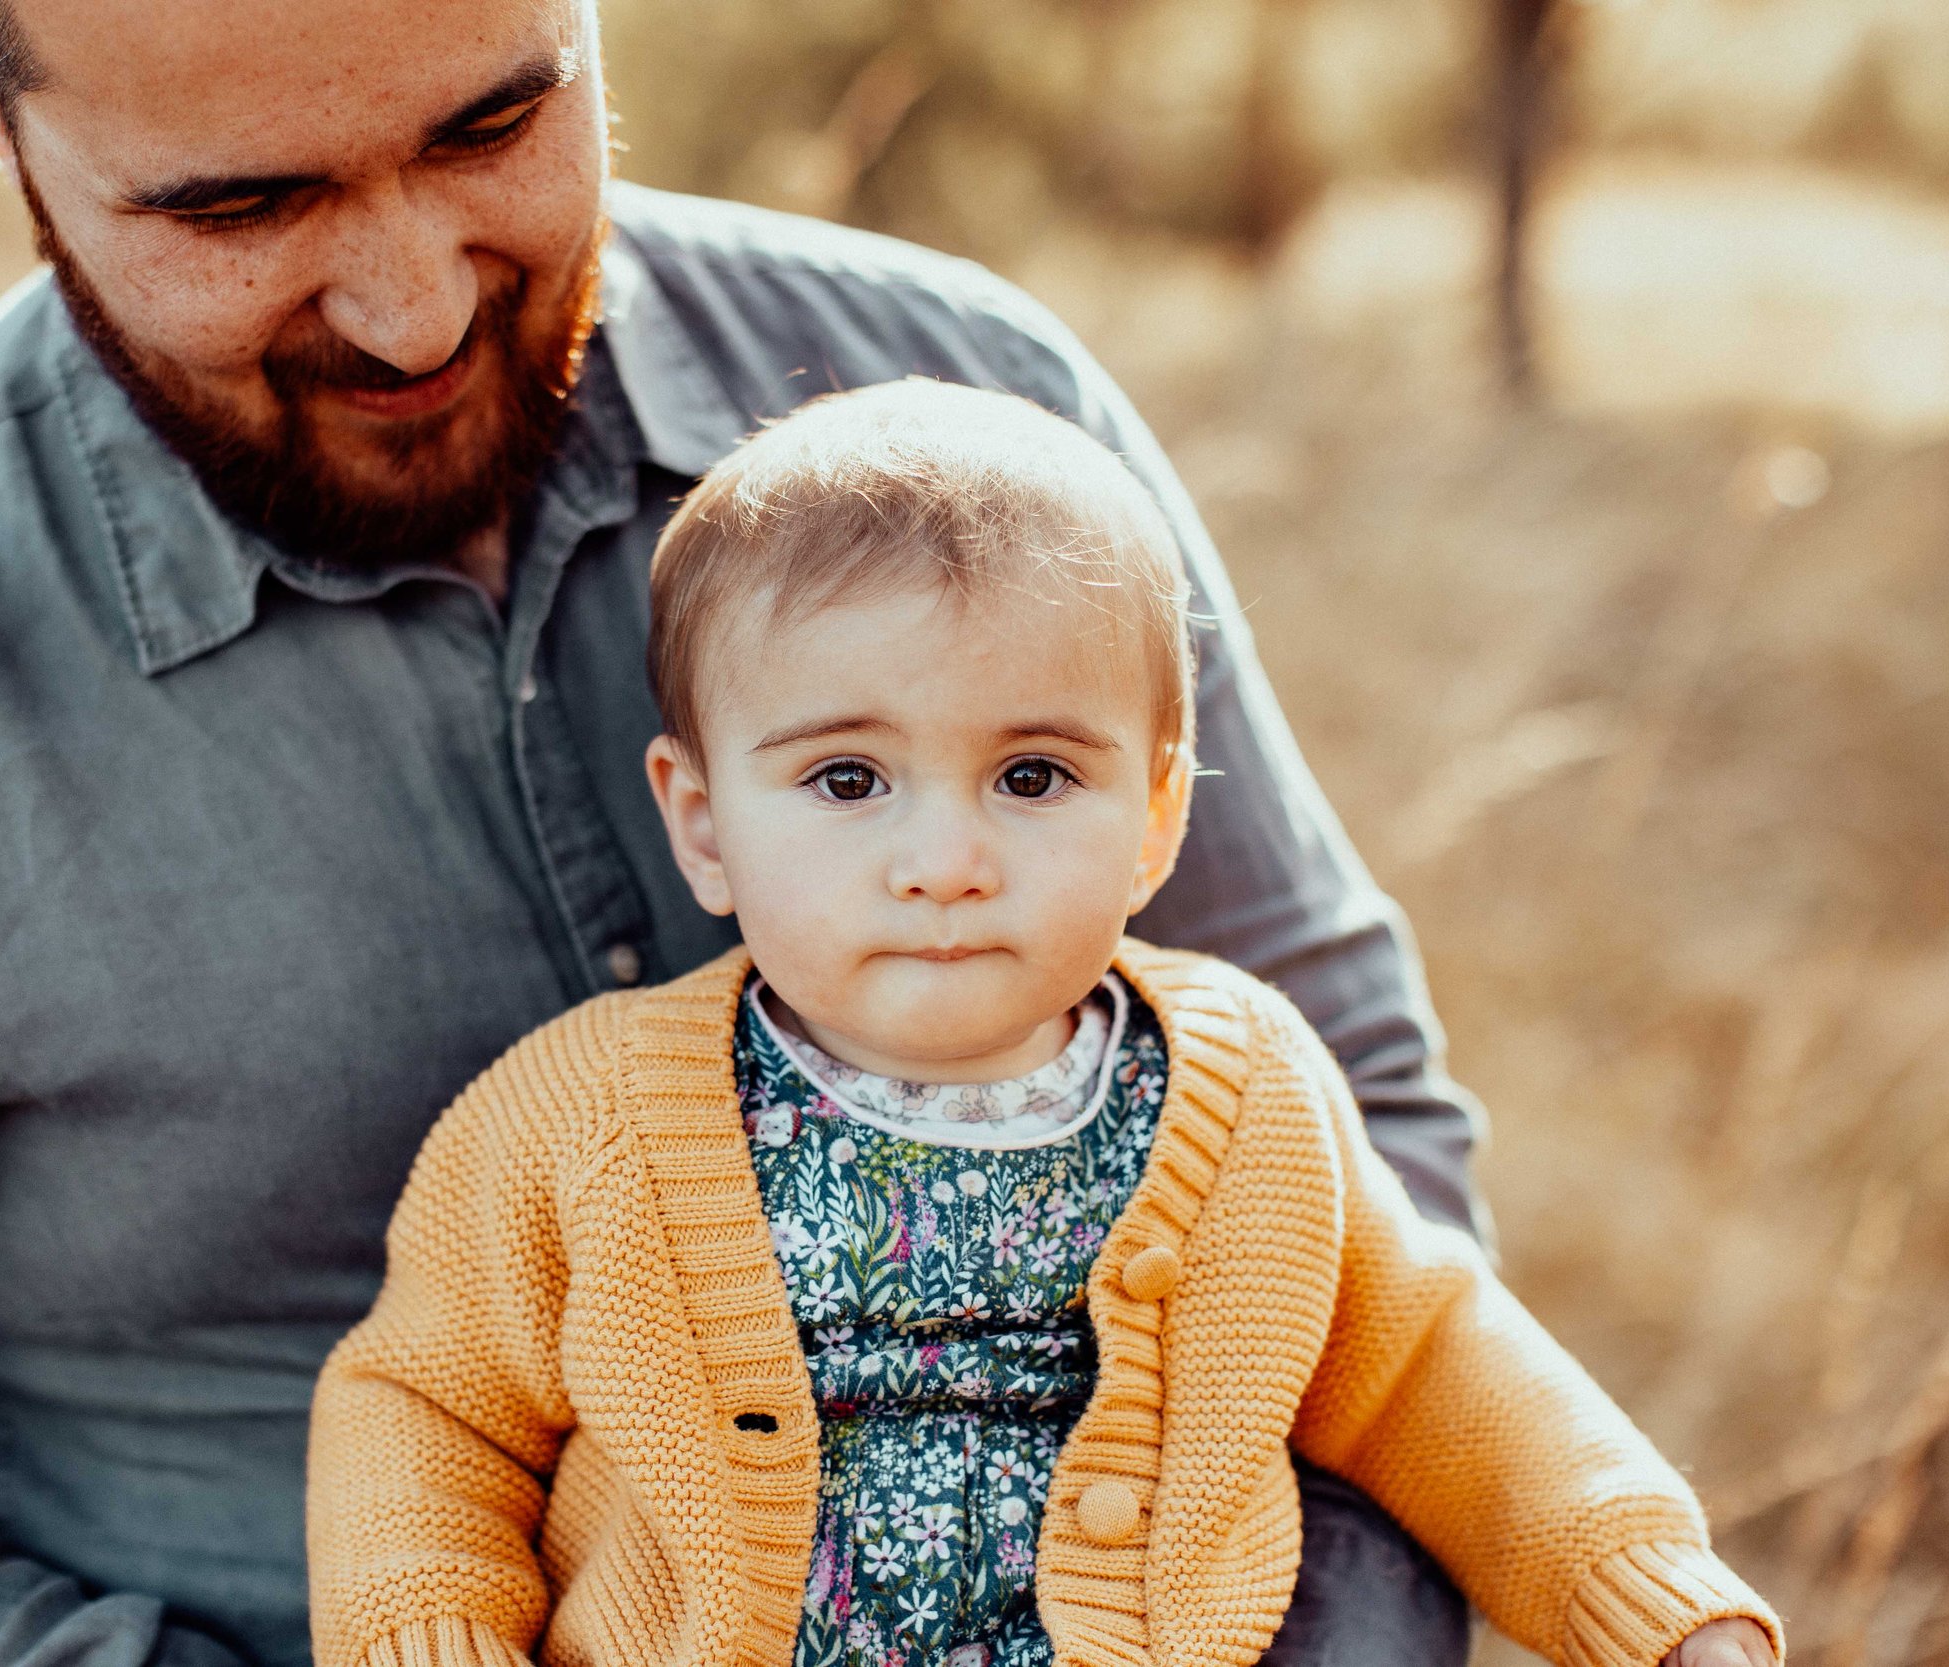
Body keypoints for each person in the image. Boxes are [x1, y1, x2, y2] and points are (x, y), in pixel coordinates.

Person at [0, 0, 1476, 1663]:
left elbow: (1347, 1118)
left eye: (494, 125)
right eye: (242, 209)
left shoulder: (980, 400)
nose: (414, 305)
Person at [306, 382, 1780, 1667]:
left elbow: (1429, 1369)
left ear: (1153, 817)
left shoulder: (1245, 1090)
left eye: (1029, 779)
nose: (944, 858)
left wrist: (1638, 1586)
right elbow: (427, 1410)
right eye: (845, 781)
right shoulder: (577, 1121)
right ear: (701, 822)